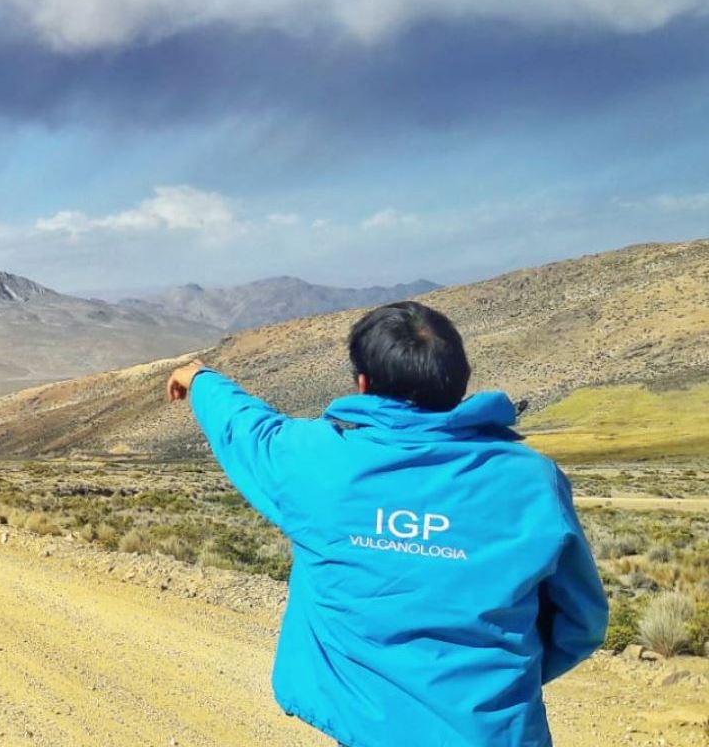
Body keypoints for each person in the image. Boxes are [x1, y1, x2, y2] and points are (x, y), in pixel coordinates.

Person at [165, 301, 607, 746]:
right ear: (459, 381)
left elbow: (247, 430)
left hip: (367, 729)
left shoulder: (317, 462)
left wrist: (200, 378)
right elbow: (581, 620)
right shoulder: (531, 480)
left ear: (363, 384)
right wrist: (497, 681)